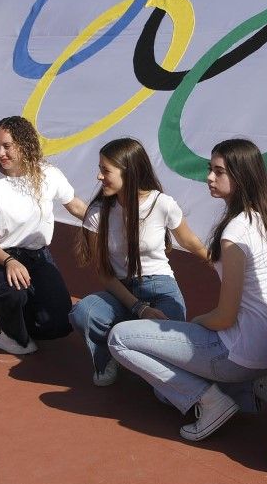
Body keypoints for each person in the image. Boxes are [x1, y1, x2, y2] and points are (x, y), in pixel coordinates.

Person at [109, 138, 267, 441]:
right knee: (167, 392)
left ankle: (210, 402)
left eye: (218, 172)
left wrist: (195, 324)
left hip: (237, 353)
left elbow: (225, 317)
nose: (209, 178)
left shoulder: (235, 232)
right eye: (210, 169)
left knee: (120, 339)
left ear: (241, 177)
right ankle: (258, 390)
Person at [70, 138, 209, 383]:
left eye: (105, 170)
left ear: (128, 171)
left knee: (165, 359)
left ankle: (133, 347)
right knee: (84, 312)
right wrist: (139, 308)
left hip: (161, 289)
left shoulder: (162, 204)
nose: (99, 177)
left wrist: (224, 265)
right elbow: (104, 273)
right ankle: (106, 356)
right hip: (121, 293)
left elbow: (191, 243)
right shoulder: (97, 213)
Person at [0, 116, 89, 354]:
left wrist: (107, 223)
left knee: (59, 325)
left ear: (24, 144)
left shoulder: (48, 174)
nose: (1, 153)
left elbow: (74, 205)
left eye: (7, 146)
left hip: (37, 256)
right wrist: (9, 261)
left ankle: (18, 314)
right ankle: (5, 330)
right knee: (12, 292)